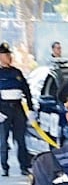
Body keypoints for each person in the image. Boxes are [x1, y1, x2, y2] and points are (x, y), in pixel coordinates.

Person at [0, 42, 33, 176]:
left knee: (20, 140)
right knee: (3, 141)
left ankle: (24, 166)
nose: (9, 57)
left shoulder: (16, 72)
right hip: (3, 109)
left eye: (9, 54)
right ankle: (5, 167)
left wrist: (31, 108)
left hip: (18, 108)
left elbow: (26, 89)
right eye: (6, 54)